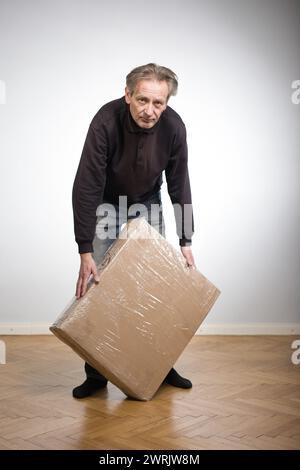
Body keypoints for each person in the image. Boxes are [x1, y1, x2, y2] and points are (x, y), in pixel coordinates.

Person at [72, 63, 196, 399]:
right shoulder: (106, 120)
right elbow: (87, 185)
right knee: (98, 290)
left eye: (158, 103)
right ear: (128, 95)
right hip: (106, 203)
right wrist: (85, 249)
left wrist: (185, 240)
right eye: (142, 100)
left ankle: (159, 366)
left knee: (154, 291)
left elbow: (179, 184)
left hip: (147, 203)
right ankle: (96, 376)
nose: (149, 110)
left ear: (166, 103)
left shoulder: (173, 127)